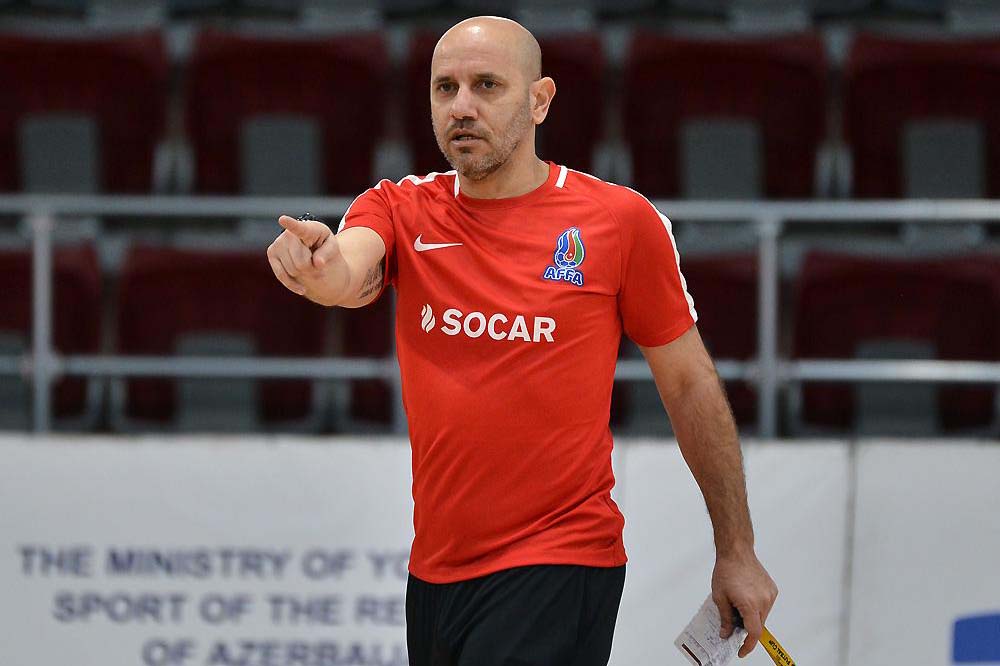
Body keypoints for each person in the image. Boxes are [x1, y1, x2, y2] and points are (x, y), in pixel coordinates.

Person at [266, 15, 777, 666]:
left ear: (540, 100)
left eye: (486, 85)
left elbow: (689, 383)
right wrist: (316, 266)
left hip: (559, 559)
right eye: (445, 88)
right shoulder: (398, 207)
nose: (462, 106)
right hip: (436, 573)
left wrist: (736, 550)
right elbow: (348, 270)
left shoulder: (619, 222)